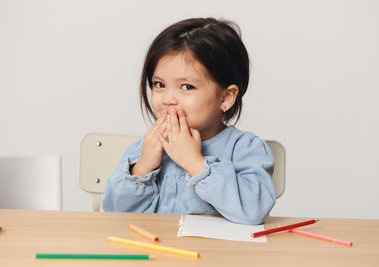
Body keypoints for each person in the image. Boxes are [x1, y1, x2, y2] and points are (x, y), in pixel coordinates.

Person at [102, 17, 276, 225]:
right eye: (159, 84)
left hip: (220, 256)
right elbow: (114, 215)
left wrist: (195, 163)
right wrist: (143, 168)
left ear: (226, 97)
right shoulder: (142, 150)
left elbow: (253, 211)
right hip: (157, 254)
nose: (168, 99)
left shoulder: (246, 149)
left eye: (186, 87)